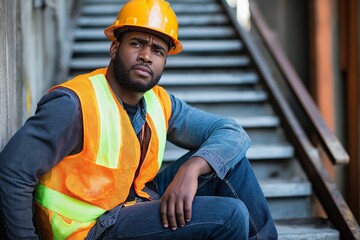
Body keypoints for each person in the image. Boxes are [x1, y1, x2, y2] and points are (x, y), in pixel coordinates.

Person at [0, 0, 277, 239]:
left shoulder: (159, 101)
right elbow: (12, 172)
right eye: (137, 43)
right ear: (114, 48)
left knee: (230, 164)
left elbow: (231, 132)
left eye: (158, 51)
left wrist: (192, 168)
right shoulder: (74, 104)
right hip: (89, 231)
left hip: (132, 204)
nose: (146, 56)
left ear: (164, 62)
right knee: (230, 216)